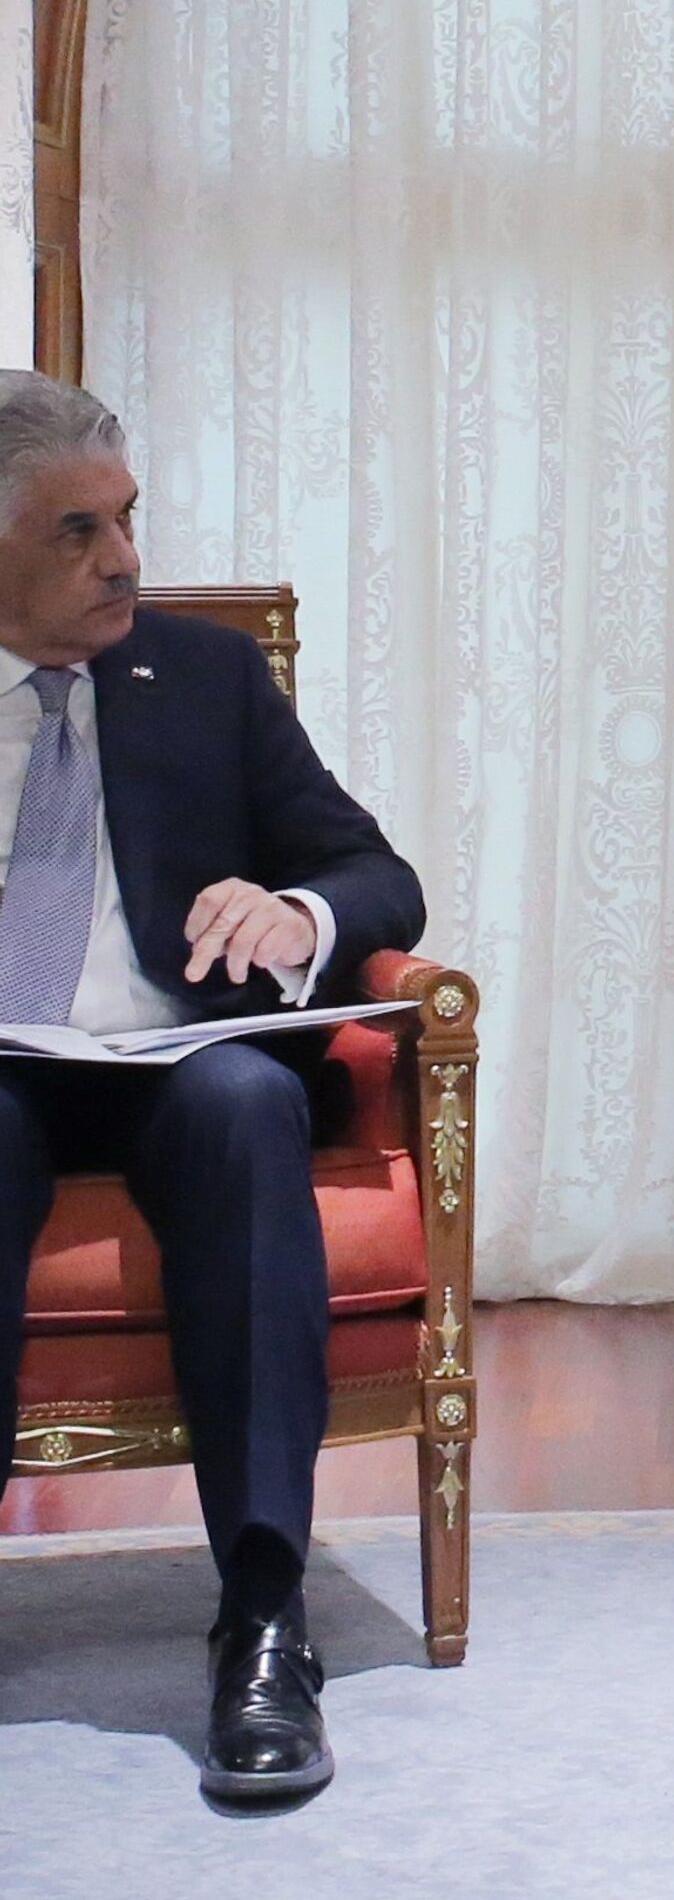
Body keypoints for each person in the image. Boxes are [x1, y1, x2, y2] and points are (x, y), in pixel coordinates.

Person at [0, 370, 425, 1800]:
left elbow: (375, 872)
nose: (124, 558)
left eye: (127, 518)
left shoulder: (205, 677)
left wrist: (297, 912)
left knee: (246, 1106)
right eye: (78, 531)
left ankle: (263, 1619)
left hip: (178, 1056)